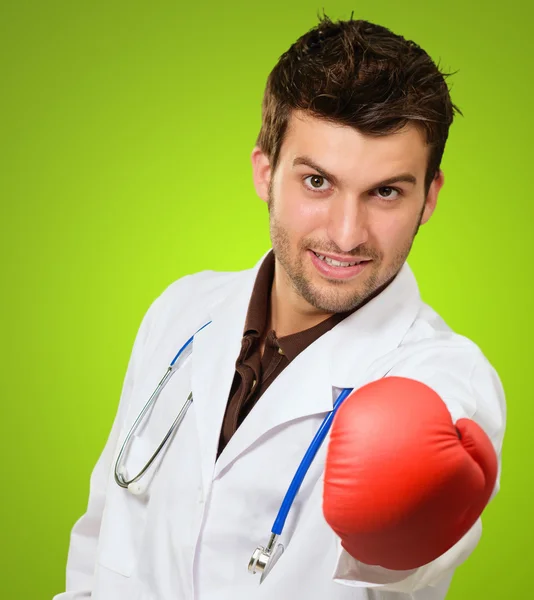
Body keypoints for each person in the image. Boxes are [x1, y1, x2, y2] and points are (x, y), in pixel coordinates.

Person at [54, 14, 506, 600]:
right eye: (317, 182)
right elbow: (101, 537)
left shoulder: (443, 380)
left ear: (429, 198)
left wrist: (414, 511)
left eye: (386, 191)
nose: (346, 235)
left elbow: (409, 564)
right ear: (265, 172)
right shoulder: (182, 309)